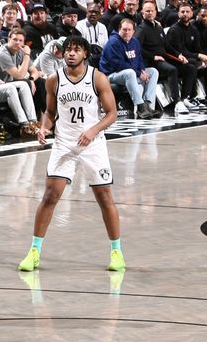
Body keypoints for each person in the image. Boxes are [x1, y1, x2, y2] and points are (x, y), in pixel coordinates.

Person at [18, 36, 125, 273]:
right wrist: (44, 126)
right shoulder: (54, 80)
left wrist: (93, 129)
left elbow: (111, 113)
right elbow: (50, 111)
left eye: (76, 50)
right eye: (68, 50)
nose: (71, 54)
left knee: (105, 197)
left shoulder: (98, 78)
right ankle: (34, 251)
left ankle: (116, 251)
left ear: (85, 53)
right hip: (65, 144)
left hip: (93, 144)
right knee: (49, 196)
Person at [99, 18, 159, 119]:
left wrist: (142, 71)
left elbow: (139, 58)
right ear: (119, 30)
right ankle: (140, 107)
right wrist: (138, 73)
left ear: (133, 31)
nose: (127, 32)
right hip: (111, 75)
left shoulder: (134, 41)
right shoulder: (113, 42)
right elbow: (119, 64)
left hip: (130, 74)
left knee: (153, 71)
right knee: (130, 72)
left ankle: (147, 105)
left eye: (129, 30)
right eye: (124, 29)